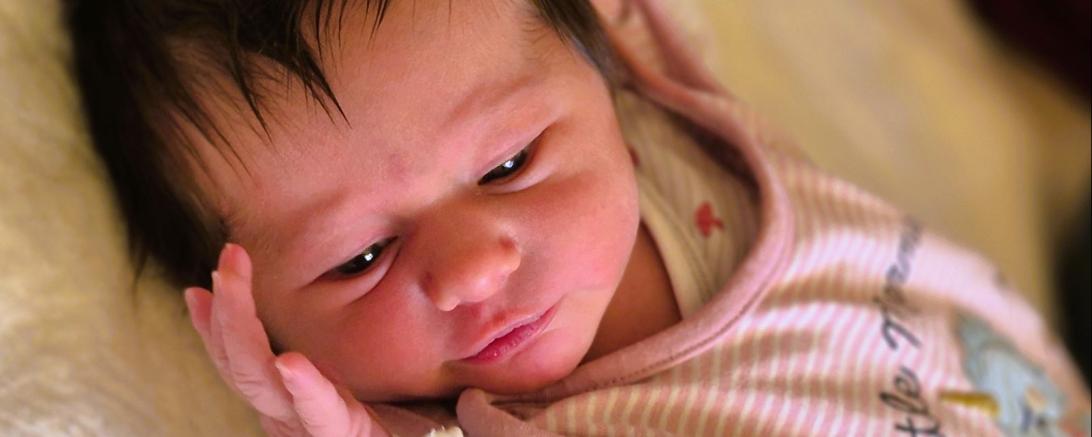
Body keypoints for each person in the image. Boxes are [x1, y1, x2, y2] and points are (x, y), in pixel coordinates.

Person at [67, 0, 1090, 435]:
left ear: (600, 60)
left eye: (510, 163)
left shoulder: (654, 95)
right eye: (361, 257)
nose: (469, 268)